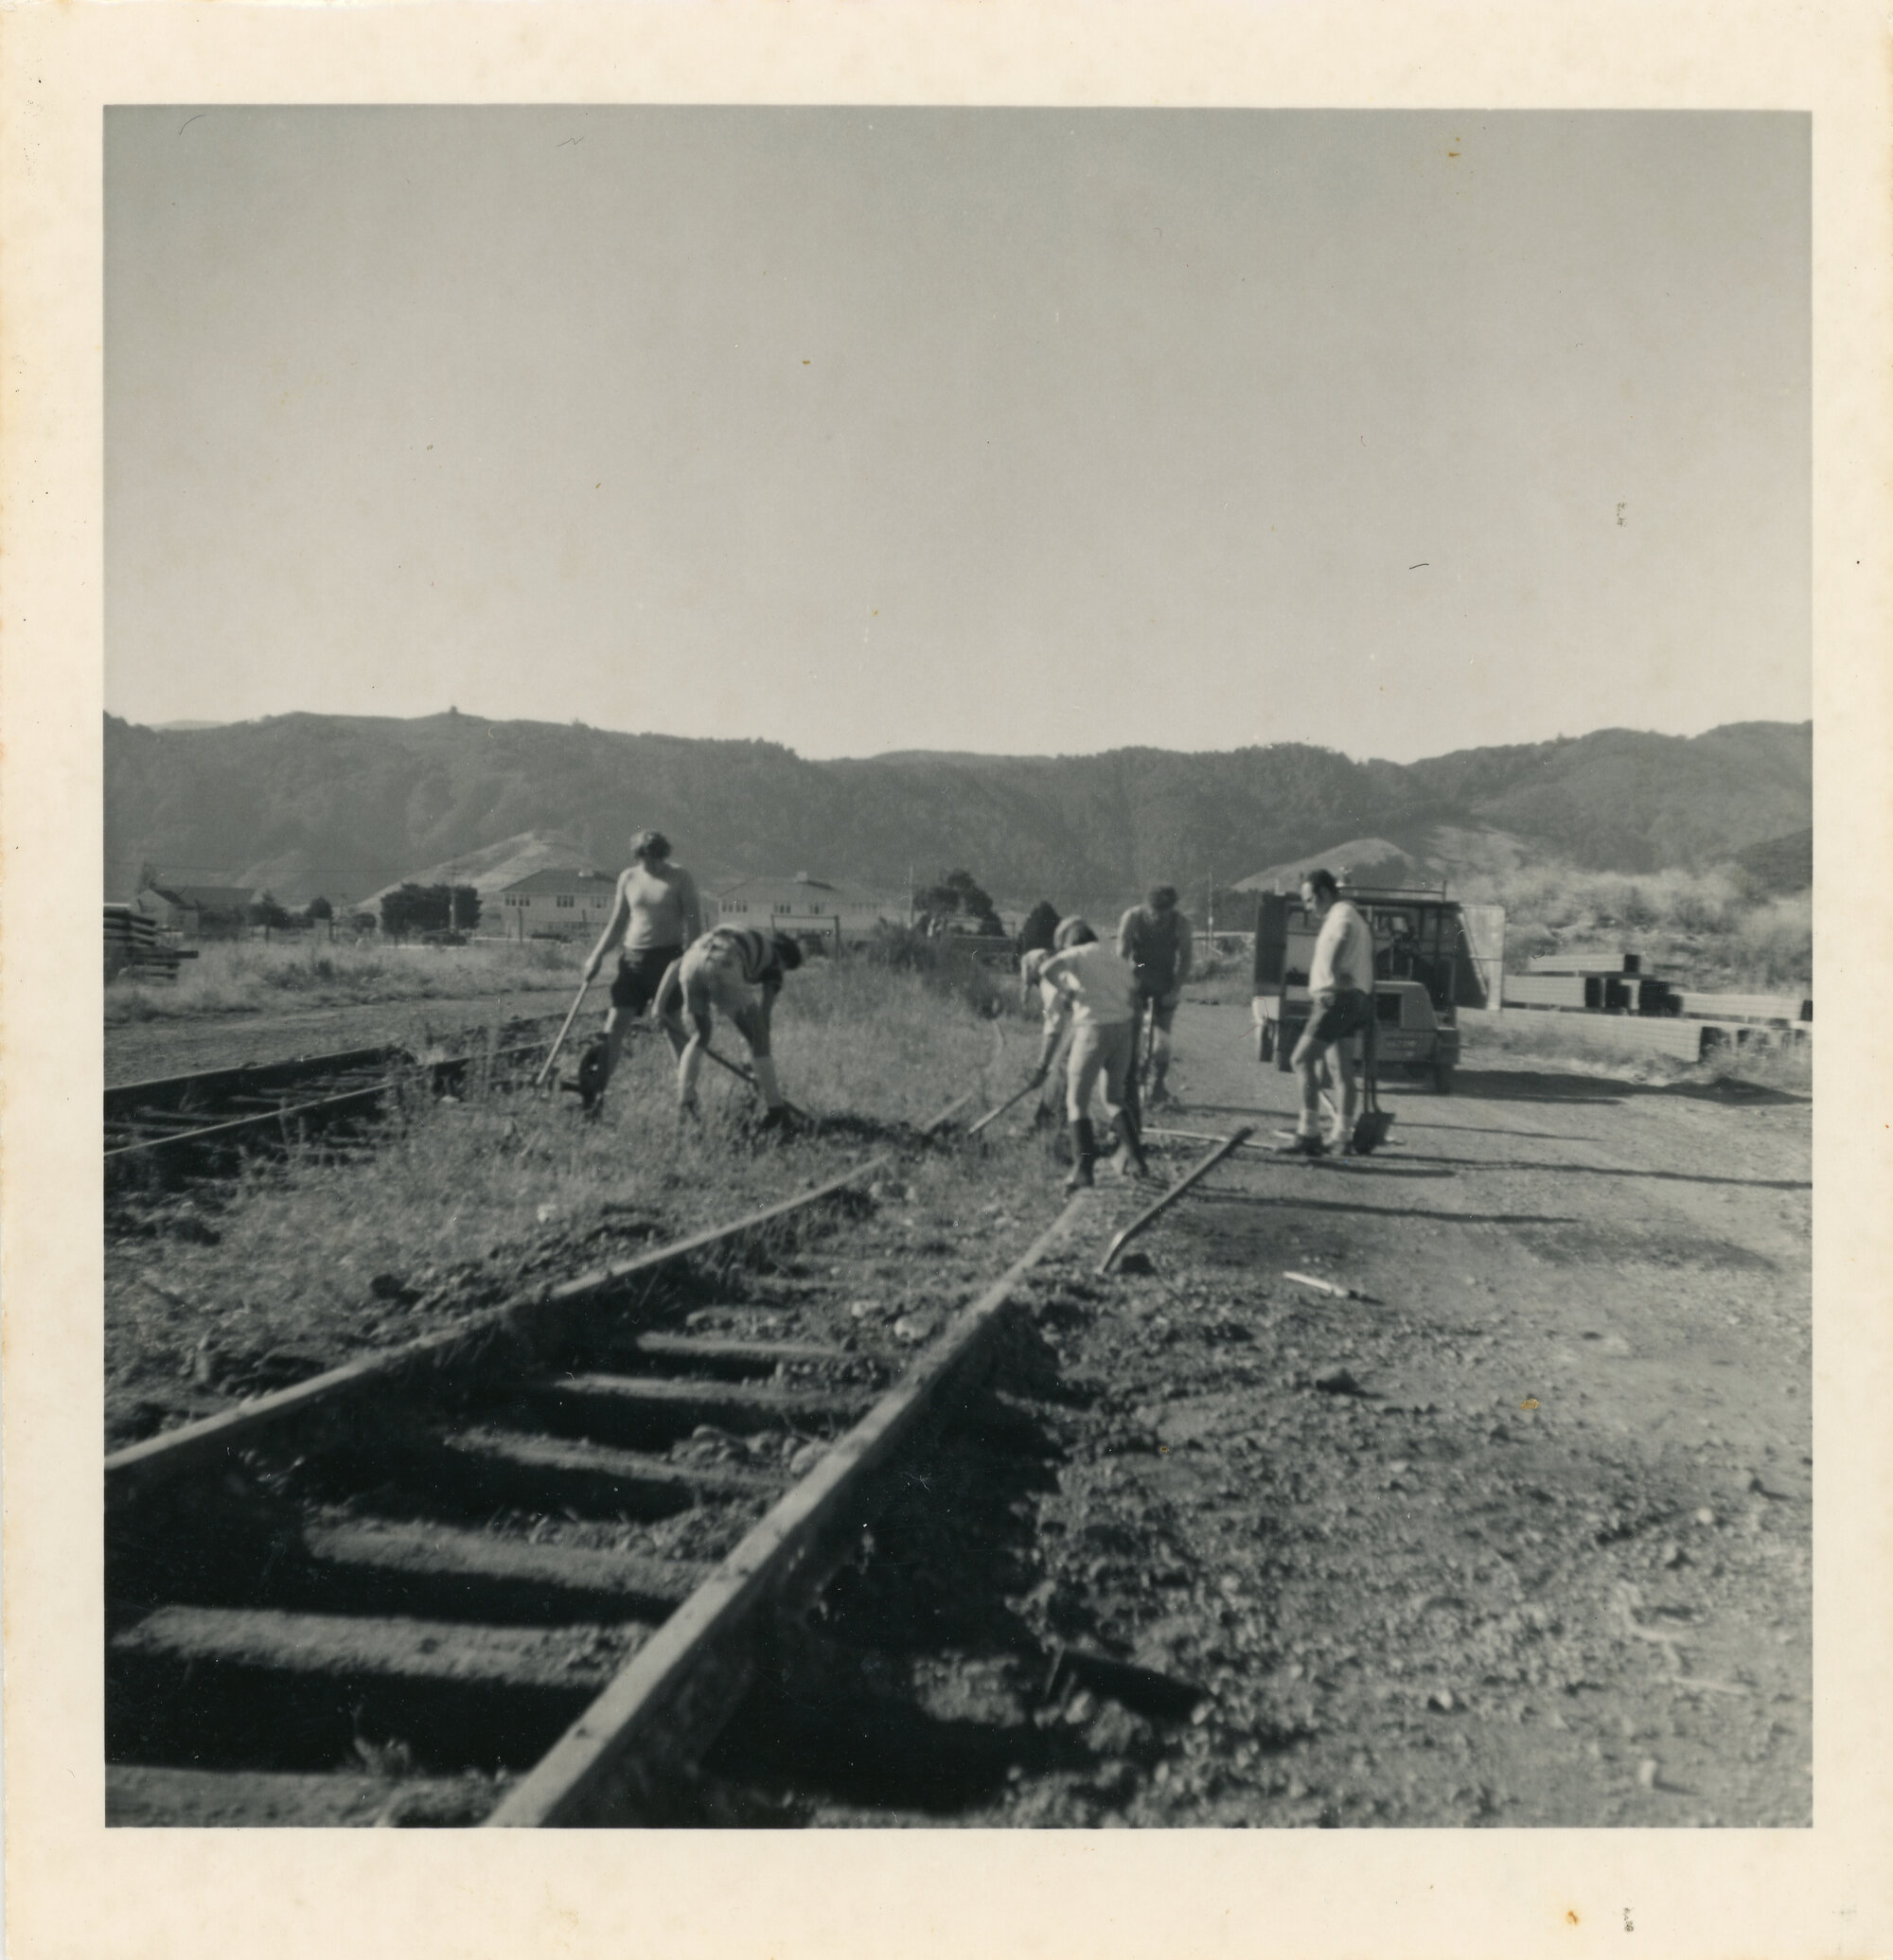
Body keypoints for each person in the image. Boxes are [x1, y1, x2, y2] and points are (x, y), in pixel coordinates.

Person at [575, 830, 701, 1113]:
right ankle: (595, 1097)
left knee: (672, 1027)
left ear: (664, 855)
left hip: (667, 961)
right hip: (631, 961)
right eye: (646, 860)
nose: (652, 866)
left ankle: (689, 1100)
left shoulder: (681, 877)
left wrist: (691, 958)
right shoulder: (628, 878)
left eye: (657, 860)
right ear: (638, 856)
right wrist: (596, 956)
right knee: (613, 1027)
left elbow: (694, 921)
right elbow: (618, 921)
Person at [1031, 917, 1151, 1190]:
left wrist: (1069, 991)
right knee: (1114, 1097)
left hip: (1093, 1029)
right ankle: (1137, 1160)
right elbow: (1134, 990)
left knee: (1077, 1101)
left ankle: (1083, 1169)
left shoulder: (1077, 953)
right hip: (1122, 1031)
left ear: (1070, 939)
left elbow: (1047, 967)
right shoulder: (1116, 959)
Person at [667, 924, 804, 1129]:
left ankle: (686, 1102)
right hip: (725, 962)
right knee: (759, 1037)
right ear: (786, 961)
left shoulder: (747, 935)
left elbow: (677, 963)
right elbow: (764, 1016)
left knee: (700, 1035)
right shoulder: (775, 962)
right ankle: (776, 1110)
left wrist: (659, 1005)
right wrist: (757, 1056)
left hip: (691, 962)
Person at [1280, 868, 1374, 1158]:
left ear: (1323, 894)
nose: (1309, 907)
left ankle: (1309, 1134)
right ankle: (1342, 1137)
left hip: (1334, 1000)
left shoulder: (1341, 916)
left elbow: (1342, 935)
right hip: (1353, 1000)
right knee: (1340, 1070)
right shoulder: (1352, 914)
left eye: (1310, 900)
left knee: (1300, 1059)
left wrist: (1333, 971)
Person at [1117, 885, 1194, 1108]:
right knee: (1129, 1031)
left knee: (1163, 1036)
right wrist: (1124, 986)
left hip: (1164, 976)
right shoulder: (1132, 917)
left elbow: (1186, 959)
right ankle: (1128, 1081)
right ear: (1146, 906)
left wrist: (1174, 990)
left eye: (1164, 913)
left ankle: (1158, 1085)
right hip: (1138, 968)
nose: (1158, 917)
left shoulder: (1181, 923)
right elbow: (1122, 953)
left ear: (1172, 909)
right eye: (1154, 912)